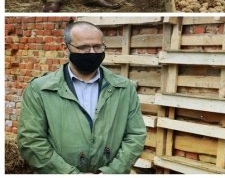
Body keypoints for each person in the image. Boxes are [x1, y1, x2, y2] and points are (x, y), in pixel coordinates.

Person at [18, 21, 146, 173]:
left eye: (98, 47)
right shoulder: (40, 89)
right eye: (84, 47)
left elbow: (135, 135)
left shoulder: (124, 88)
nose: (92, 52)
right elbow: (31, 140)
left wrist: (111, 172)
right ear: (66, 47)